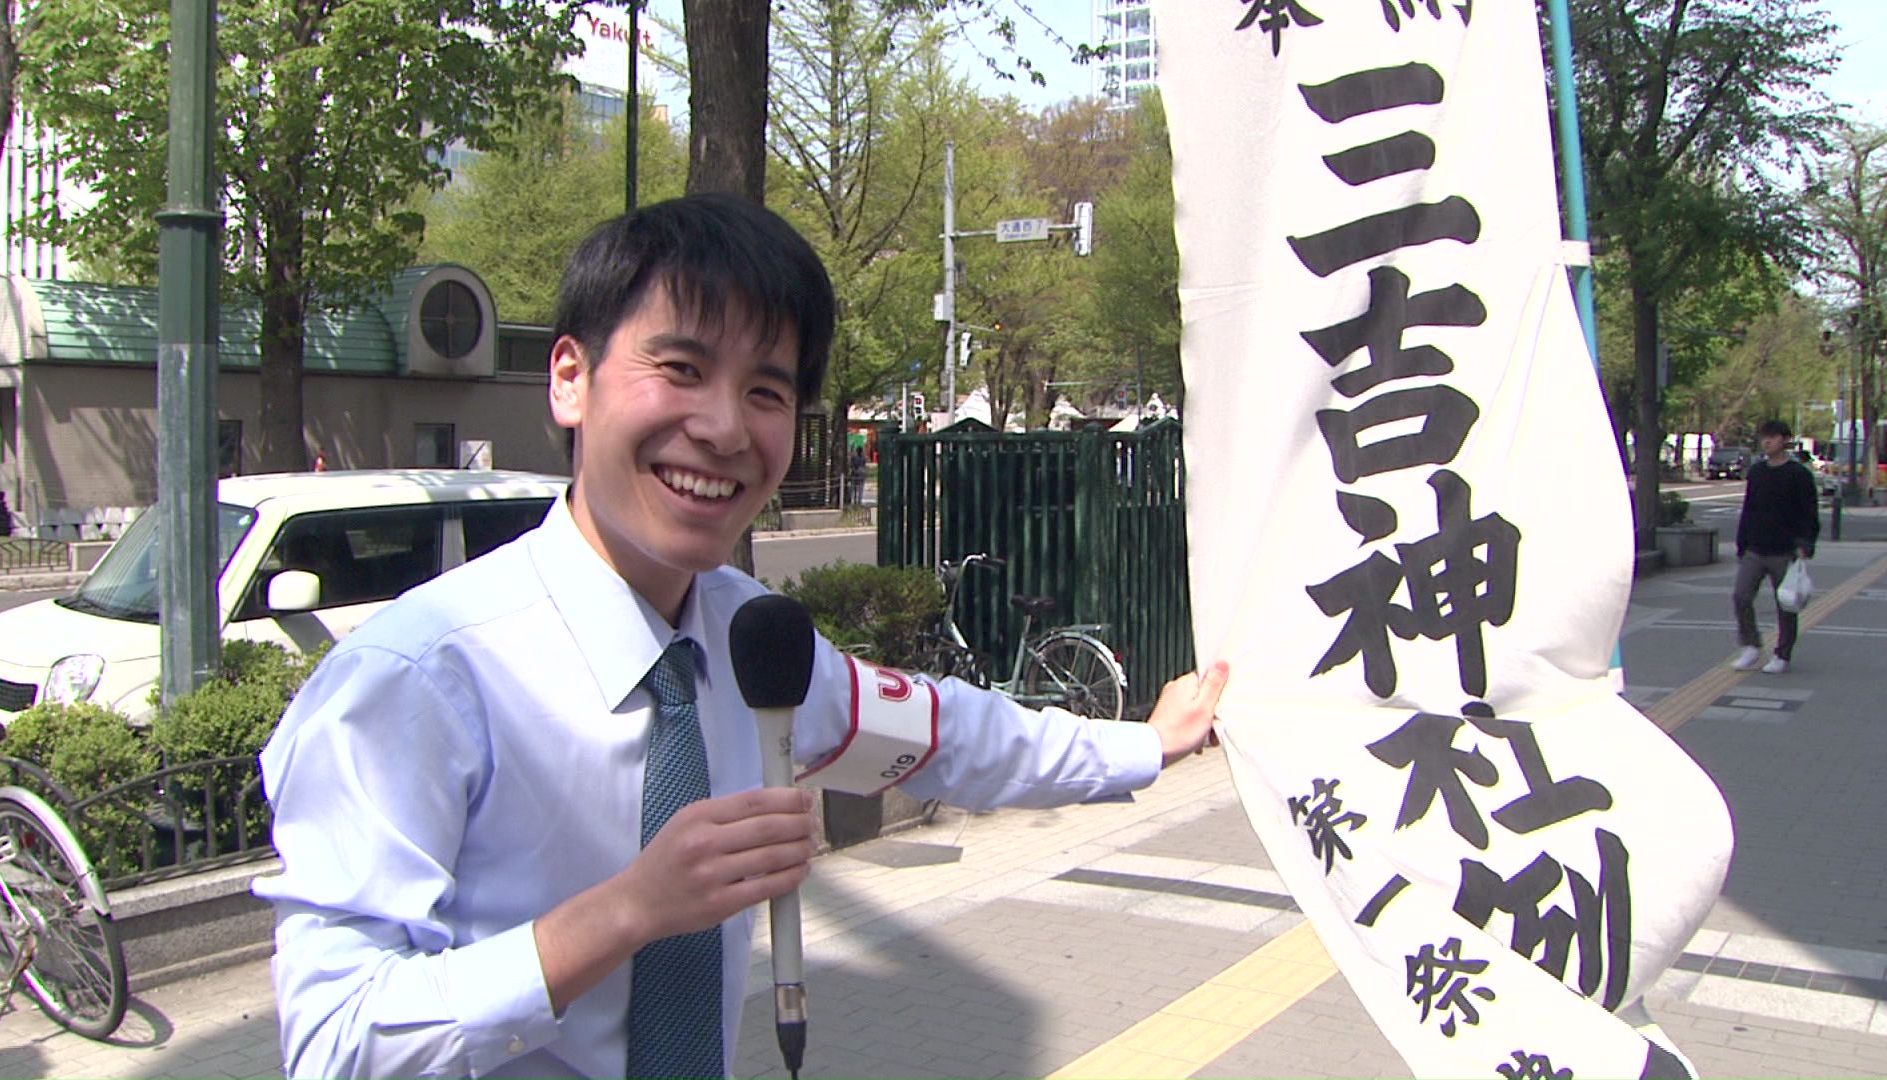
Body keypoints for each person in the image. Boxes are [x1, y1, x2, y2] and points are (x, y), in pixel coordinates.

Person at [256, 193, 1227, 1080]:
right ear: (569, 379)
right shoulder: (416, 682)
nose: (724, 428)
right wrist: (627, 910)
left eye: (767, 392)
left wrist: (1146, 741)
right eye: (679, 368)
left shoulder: (754, 646)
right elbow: (334, 1042)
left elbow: (944, 736)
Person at [1730, 418, 1819, 675]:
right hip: (1755, 548)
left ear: (1785, 440)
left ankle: (1782, 654)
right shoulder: (1757, 472)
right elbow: (1749, 509)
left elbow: (1808, 513)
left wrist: (1804, 544)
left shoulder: (1798, 475)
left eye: (1773, 437)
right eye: (1764, 437)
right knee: (1741, 595)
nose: (1767, 442)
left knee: (1786, 603)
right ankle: (1750, 645)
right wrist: (1742, 543)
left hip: (1785, 550)